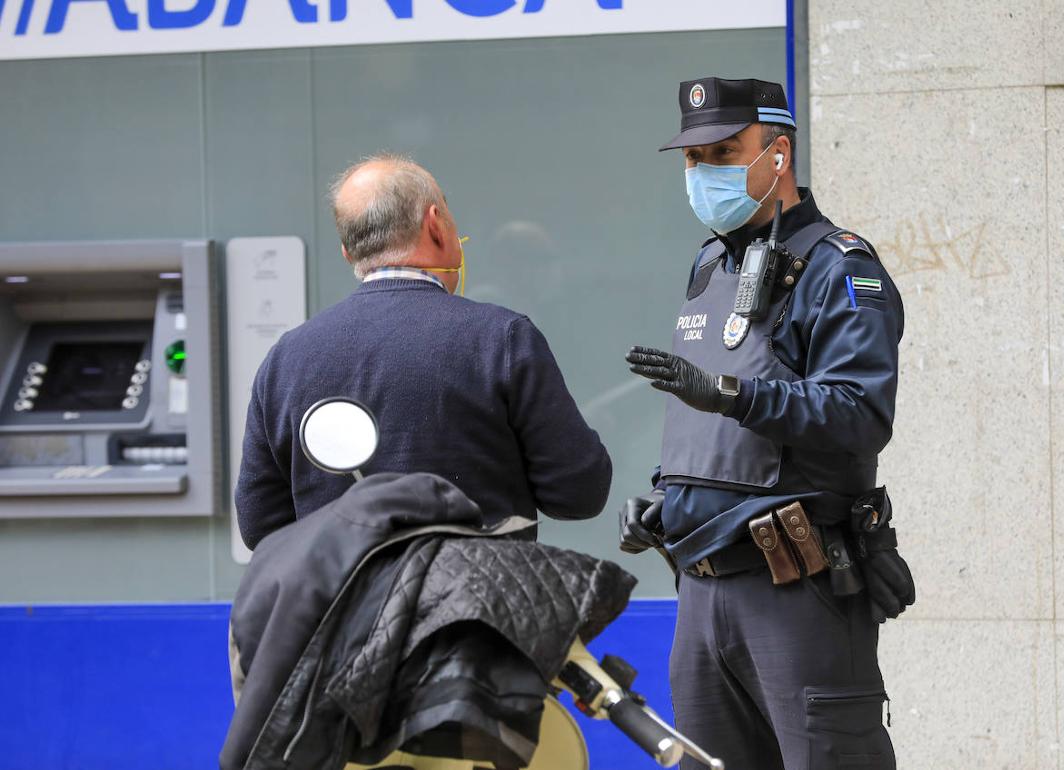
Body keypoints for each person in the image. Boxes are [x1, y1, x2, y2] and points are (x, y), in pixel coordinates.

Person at [619, 77, 914, 769]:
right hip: (702, 588)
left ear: (777, 155)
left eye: (723, 152)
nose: (702, 173)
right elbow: (724, 440)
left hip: (796, 591)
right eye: (692, 159)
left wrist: (733, 394)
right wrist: (671, 501)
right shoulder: (710, 264)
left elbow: (859, 414)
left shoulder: (839, 268)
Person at [235, 154, 612, 548]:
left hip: (338, 606)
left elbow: (260, 525)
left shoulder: (287, 358)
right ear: (436, 226)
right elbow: (580, 493)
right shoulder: (501, 339)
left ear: (347, 252)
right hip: (479, 603)